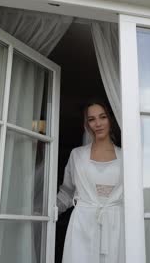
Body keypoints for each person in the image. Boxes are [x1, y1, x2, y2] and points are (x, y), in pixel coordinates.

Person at [57, 100, 124, 263]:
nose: (98, 124)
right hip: (83, 226)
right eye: (92, 119)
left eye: (103, 117)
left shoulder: (125, 157)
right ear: (86, 124)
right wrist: (47, 211)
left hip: (116, 226)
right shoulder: (77, 155)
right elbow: (67, 192)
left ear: (111, 119)